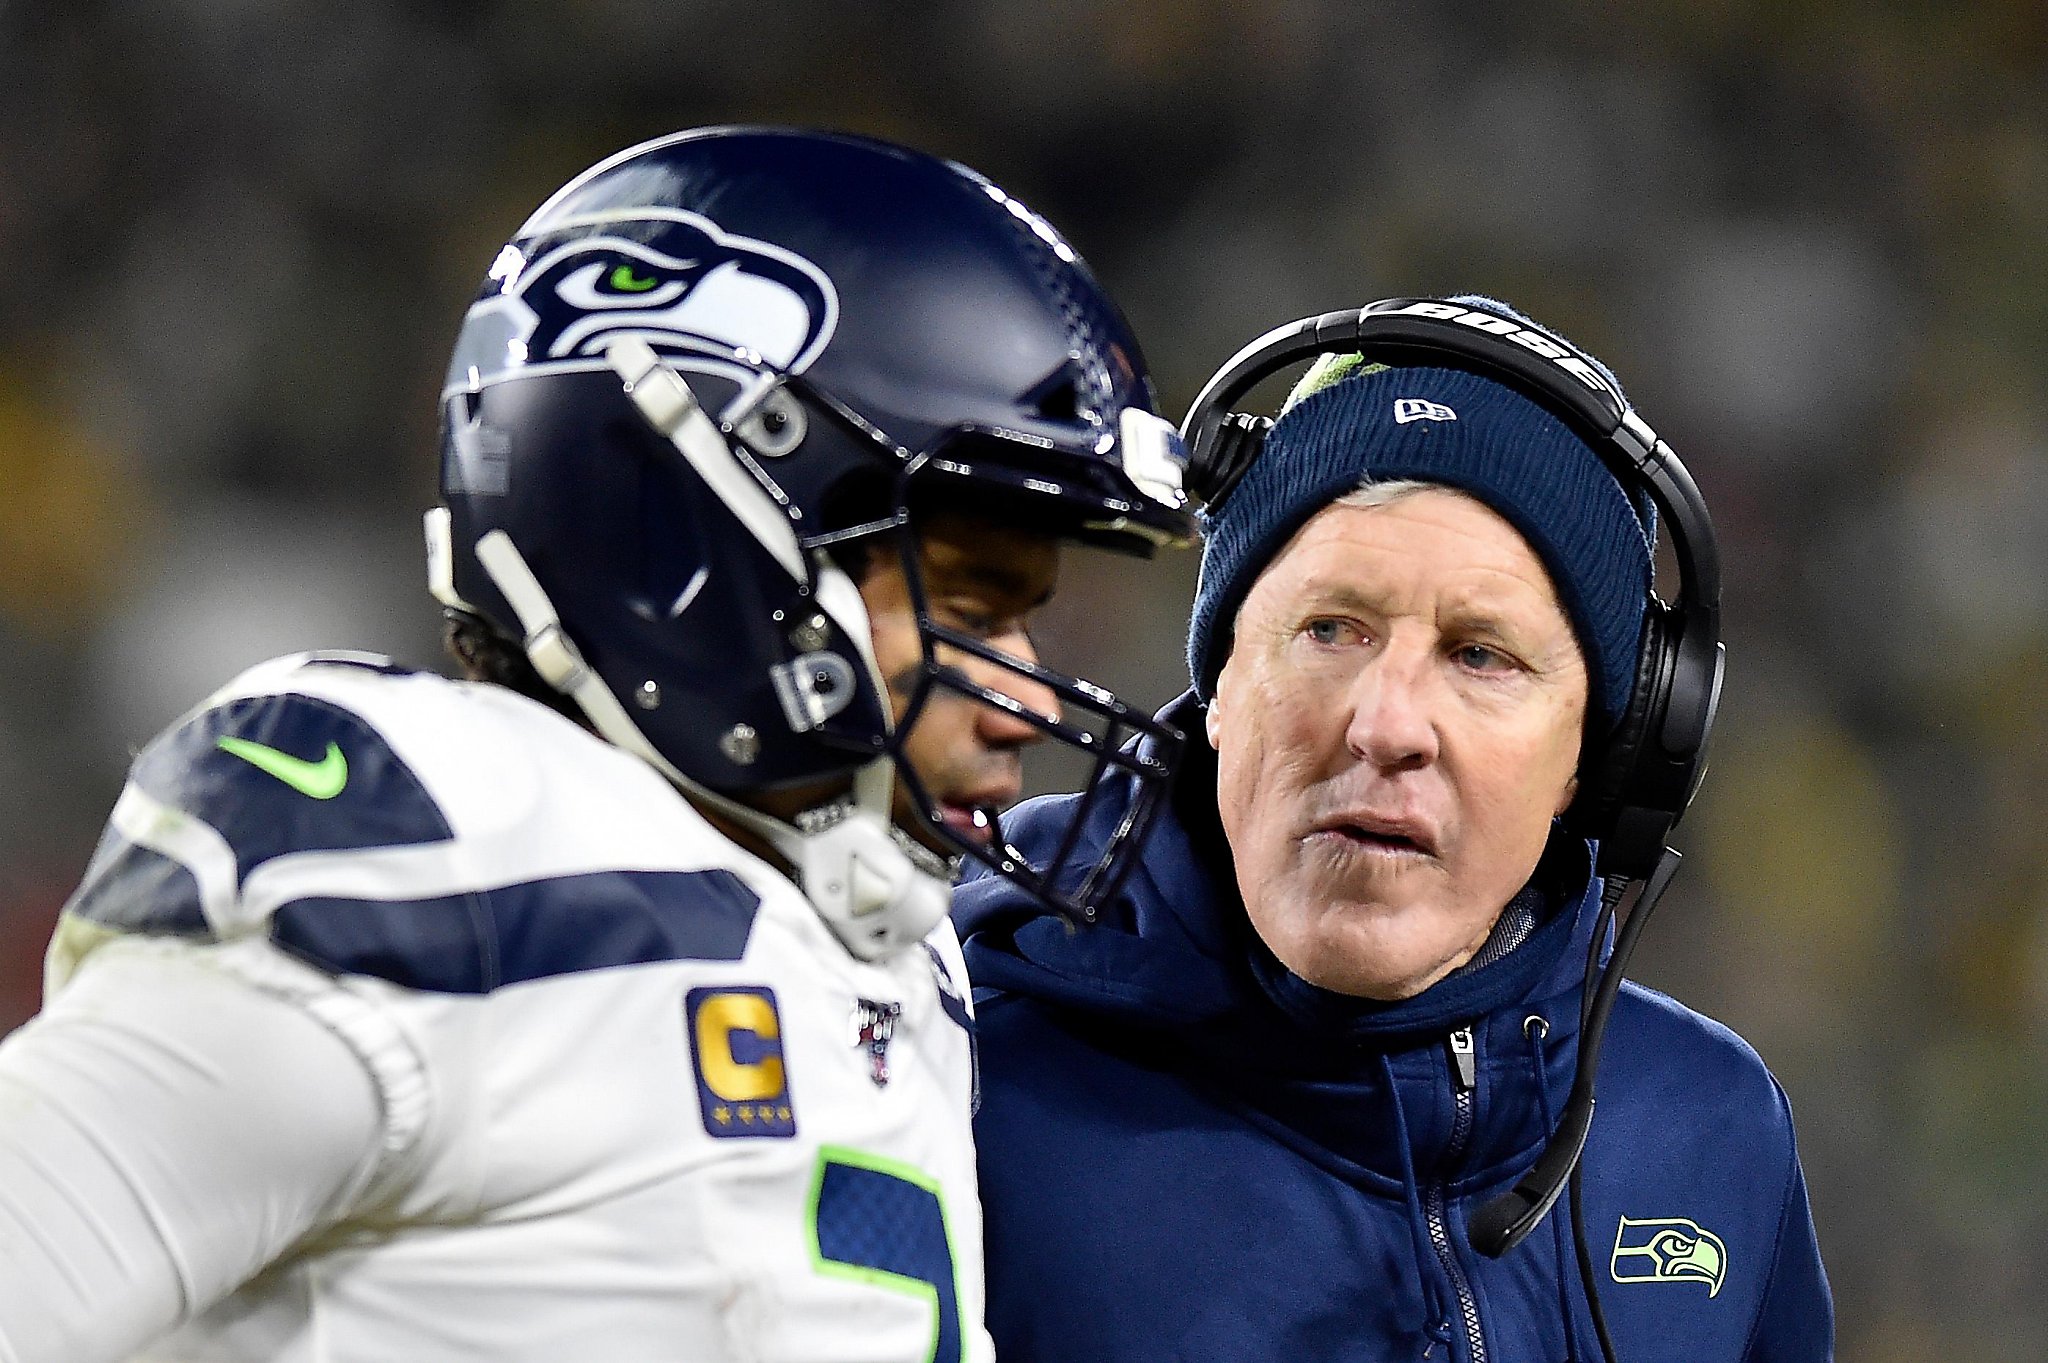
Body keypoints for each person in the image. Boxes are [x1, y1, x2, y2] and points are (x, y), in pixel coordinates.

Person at [0, 126, 1194, 1363]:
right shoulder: (439, 865)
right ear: (695, 538)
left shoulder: (896, 959)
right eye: (968, 604)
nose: (1030, 698)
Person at [957, 296, 1832, 1363]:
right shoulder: (941, 1067)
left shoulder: (1712, 1126)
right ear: (1220, 685)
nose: (1384, 725)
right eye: (1330, 629)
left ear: (1591, 762)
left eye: (1479, 655)